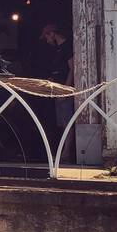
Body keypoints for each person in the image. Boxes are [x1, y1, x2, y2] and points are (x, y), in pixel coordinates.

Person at [32, 20, 76, 164]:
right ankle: (64, 151)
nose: (47, 40)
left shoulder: (67, 47)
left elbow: (72, 69)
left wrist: (66, 89)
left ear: (52, 34)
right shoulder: (58, 49)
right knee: (62, 122)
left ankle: (67, 153)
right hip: (57, 90)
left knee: (67, 121)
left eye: (47, 37)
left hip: (64, 90)